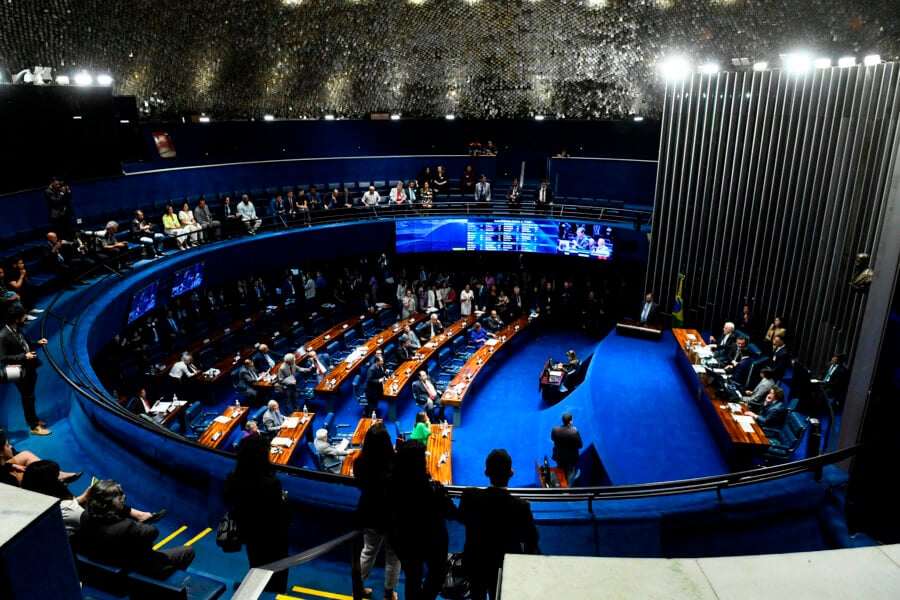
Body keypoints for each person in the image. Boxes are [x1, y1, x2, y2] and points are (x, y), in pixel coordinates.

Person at [458, 449, 539, 600]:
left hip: (476, 563)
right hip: (505, 566)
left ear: (486, 472)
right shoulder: (521, 506)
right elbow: (531, 539)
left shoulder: (469, 497)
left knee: (477, 595)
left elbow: (461, 518)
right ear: (511, 473)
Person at [78, 479, 194, 580]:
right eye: (120, 496)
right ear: (111, 504)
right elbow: (152, 532)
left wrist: (118, 509)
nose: (124, 497)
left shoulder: (85, 517)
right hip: (135, 568)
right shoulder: (126, 527)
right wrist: (128, 514)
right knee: (187, 552)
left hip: (104, 565)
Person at [21, 460, 164, 537]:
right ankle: (138, 519)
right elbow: (82, 516)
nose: (62, 477)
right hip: (85, 539)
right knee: (104, 499)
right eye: (57, 475)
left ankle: (140, 515)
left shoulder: (34, 496)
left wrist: (83, 497)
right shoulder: (69, 510)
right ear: (50, 482)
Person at [389, 440, 457, 600]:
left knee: (413, 577)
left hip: (404, 542)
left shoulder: (392, 485)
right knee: (437, 575)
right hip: (431, 543)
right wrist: (442, 493)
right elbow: (452, 513)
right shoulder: (431, 490)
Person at [223, 435, 289, 592]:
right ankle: (274, 593)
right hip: (272, 535)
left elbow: (227, 500)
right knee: (278, 569)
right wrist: (283, 498)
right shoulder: (271, 482)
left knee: (256, 564)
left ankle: (259, 591)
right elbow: (277, 512)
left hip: (249, 532)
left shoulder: (233, 477)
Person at [354, 422, 400, 600]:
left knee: (368, 551)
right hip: (392, 516)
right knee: (393, 555)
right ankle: (389, 593)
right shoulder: (396, 463)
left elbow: (360, 484)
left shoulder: (360, 462)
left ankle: (358, 587)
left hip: (370, 512)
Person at [0, 306, 52, 435]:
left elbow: (25, 344)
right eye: (24, 318)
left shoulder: (16, 329)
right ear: (16, 320)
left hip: (29, 368)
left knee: (30, 396)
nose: (26, 319)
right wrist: (24, 356)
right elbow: (4, 358)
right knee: (28, 397)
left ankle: (33, 419)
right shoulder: (3, 336)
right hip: (20, 372)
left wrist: (38, 343)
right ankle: (34, 427)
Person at [1, 429, 80, 484]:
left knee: (26, 454)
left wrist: (11, 465)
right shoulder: (9, 480)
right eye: (7, 445)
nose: (11, 446)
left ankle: (58, 474)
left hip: (3, 468)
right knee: (41, 477)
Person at [551, 413, 582, 484]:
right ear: (570, 421)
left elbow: (553, 438)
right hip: (571, 458)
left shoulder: (555, 430)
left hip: (559, 456)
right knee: (570, 474)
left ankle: (561, 486)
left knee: (561, 471)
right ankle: (568, 490)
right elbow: (580, 445)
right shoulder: (574, 432)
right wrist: (575, 432)